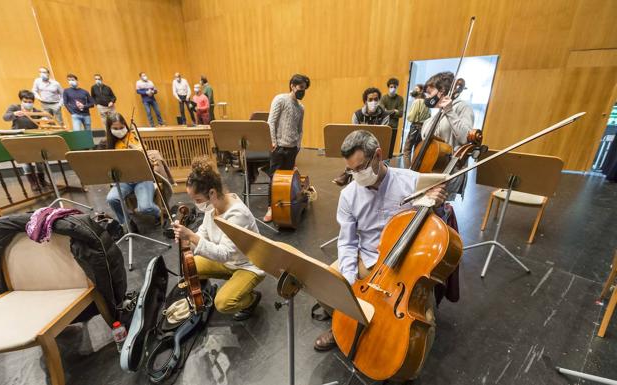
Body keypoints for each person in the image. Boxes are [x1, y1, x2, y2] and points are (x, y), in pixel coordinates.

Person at [313, 131, 446, 368]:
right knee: (326, 284)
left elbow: (436, 228)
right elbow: (346, 242)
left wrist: (437, 204)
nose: (356, 175)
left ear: (378, 155)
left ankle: (405, 369)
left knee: (424, 327)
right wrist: (350, 282)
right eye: (351, 170)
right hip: (368, 262)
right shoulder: (348, 195)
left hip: (406, 269)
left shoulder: (413, 182)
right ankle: (342, 325)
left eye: (361, 167)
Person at [173, 157, 264, 320]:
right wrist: (187, 240)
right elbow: (203, 234)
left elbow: (224, 254)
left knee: (223, 303)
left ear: (212, 193)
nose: (196, 204)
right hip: (228, 262)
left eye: (198, 200)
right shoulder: (213, 205)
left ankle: (251, 299)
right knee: (190, 267)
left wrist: (192, 236)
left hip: (247, 265)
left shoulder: (237, 215)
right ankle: (234, 283)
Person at [263, 74, 310, 222]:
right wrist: (273, 142)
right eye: (301, 87)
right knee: (274, 179)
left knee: (287, 180)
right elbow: (271, 121)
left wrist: (298, 145)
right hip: (278, 148)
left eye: (305, 89)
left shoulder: (301, 108)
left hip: (292, 149)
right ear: (292, 85)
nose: (303, 91)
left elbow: (300, 129)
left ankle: (284, 206)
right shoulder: (280, 99)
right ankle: (270, 208)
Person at [420, 71, 475, 196]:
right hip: (431, 169)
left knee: (439, 208)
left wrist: (449, 111)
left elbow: (465, 138)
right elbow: (425, 137)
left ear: (442, 91)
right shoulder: (436, 114)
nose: (427, 97)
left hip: (449, 168)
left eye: (429, 92)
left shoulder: (462, 107)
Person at [104, 113, 161, 229]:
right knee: (112, 198)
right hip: (124, 180)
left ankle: (160, 213)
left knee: (145, 208)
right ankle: (128, 222)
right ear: (110, 129)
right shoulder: (108, 144)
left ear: (126, 125)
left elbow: (143, 150)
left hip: (142, 178)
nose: (119, 130)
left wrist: (136, 149)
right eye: (115, 128)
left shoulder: (133, 137)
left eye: (121, 128)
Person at [332, 87, 391, 186]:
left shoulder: (385, 115)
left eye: (376, 99)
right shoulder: (357, 115)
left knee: (381, 164)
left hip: (377, 147)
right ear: (365, 101)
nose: (373, 102)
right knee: (356, 158)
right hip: (361, 148)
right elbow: (354, 137)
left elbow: (383, 136)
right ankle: (348, 174)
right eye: (370, 100)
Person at [2, 90, 51, 191]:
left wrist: (45, 119)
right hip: (19, 138)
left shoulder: (36, 111)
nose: (28, 103)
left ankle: (42, 181)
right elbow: (5, 117)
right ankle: (33, 183)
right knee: (25, 161)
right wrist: (14, 114)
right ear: (21, 100)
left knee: (39, 160)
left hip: (33, 138)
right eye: (25, 101)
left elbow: (44, 120)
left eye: (30, 102)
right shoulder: (14, 107)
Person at [402, 83, 431, 166]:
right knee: (417, 149)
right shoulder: (427, 102)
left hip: (415, 127)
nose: (414, 90)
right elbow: (429, 116)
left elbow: (411, 117)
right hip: (423, 128)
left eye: (416, 89)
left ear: (421, 90)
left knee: (407, 151)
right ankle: (415, 169)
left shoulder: (417, 101)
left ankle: (408, 170)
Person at [379, 78, 405, 158]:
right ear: (388, 87)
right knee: (382, 146)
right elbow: (382, 112)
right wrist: (394, 110)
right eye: (391, 86)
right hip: (384, 126)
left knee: (390, 148)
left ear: (397, 87)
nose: (393, 88)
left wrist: (388, 111)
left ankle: (387, 166)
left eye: (395, 86)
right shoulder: (384, 98)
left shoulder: (400, 99)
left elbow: (400, 114)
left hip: (394, 126)